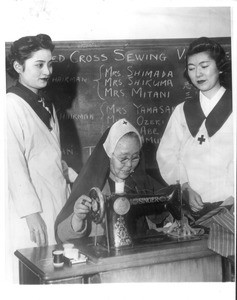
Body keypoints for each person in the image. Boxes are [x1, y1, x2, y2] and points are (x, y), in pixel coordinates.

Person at [6, 34, 77, 282]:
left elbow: (48, 157)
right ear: (18, 66)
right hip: (32, 210)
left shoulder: (46, 103)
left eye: (50, 63)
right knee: (34, 273)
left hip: (55, 202)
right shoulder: (10, 106)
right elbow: (11, 163)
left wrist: (77, 178)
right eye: (39, 64)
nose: (47, 71)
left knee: (56, 274)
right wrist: (30, 213)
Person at [156, 37, 234, 259]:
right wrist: (187, 188)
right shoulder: (182, 111)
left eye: (204, 66)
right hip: (193, 213)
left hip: (230, 210)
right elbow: (168, 156)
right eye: (191, 68)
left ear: (219, 67)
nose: (198, 74)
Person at [55, 118, 180, 243]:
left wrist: (172, 222)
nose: (130, 164)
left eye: (135, 157)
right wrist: (77, 218)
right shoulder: (92, 186)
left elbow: (168, 214)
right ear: (109, 154)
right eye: (123, 158)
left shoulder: (144, 182)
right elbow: (62, 236)